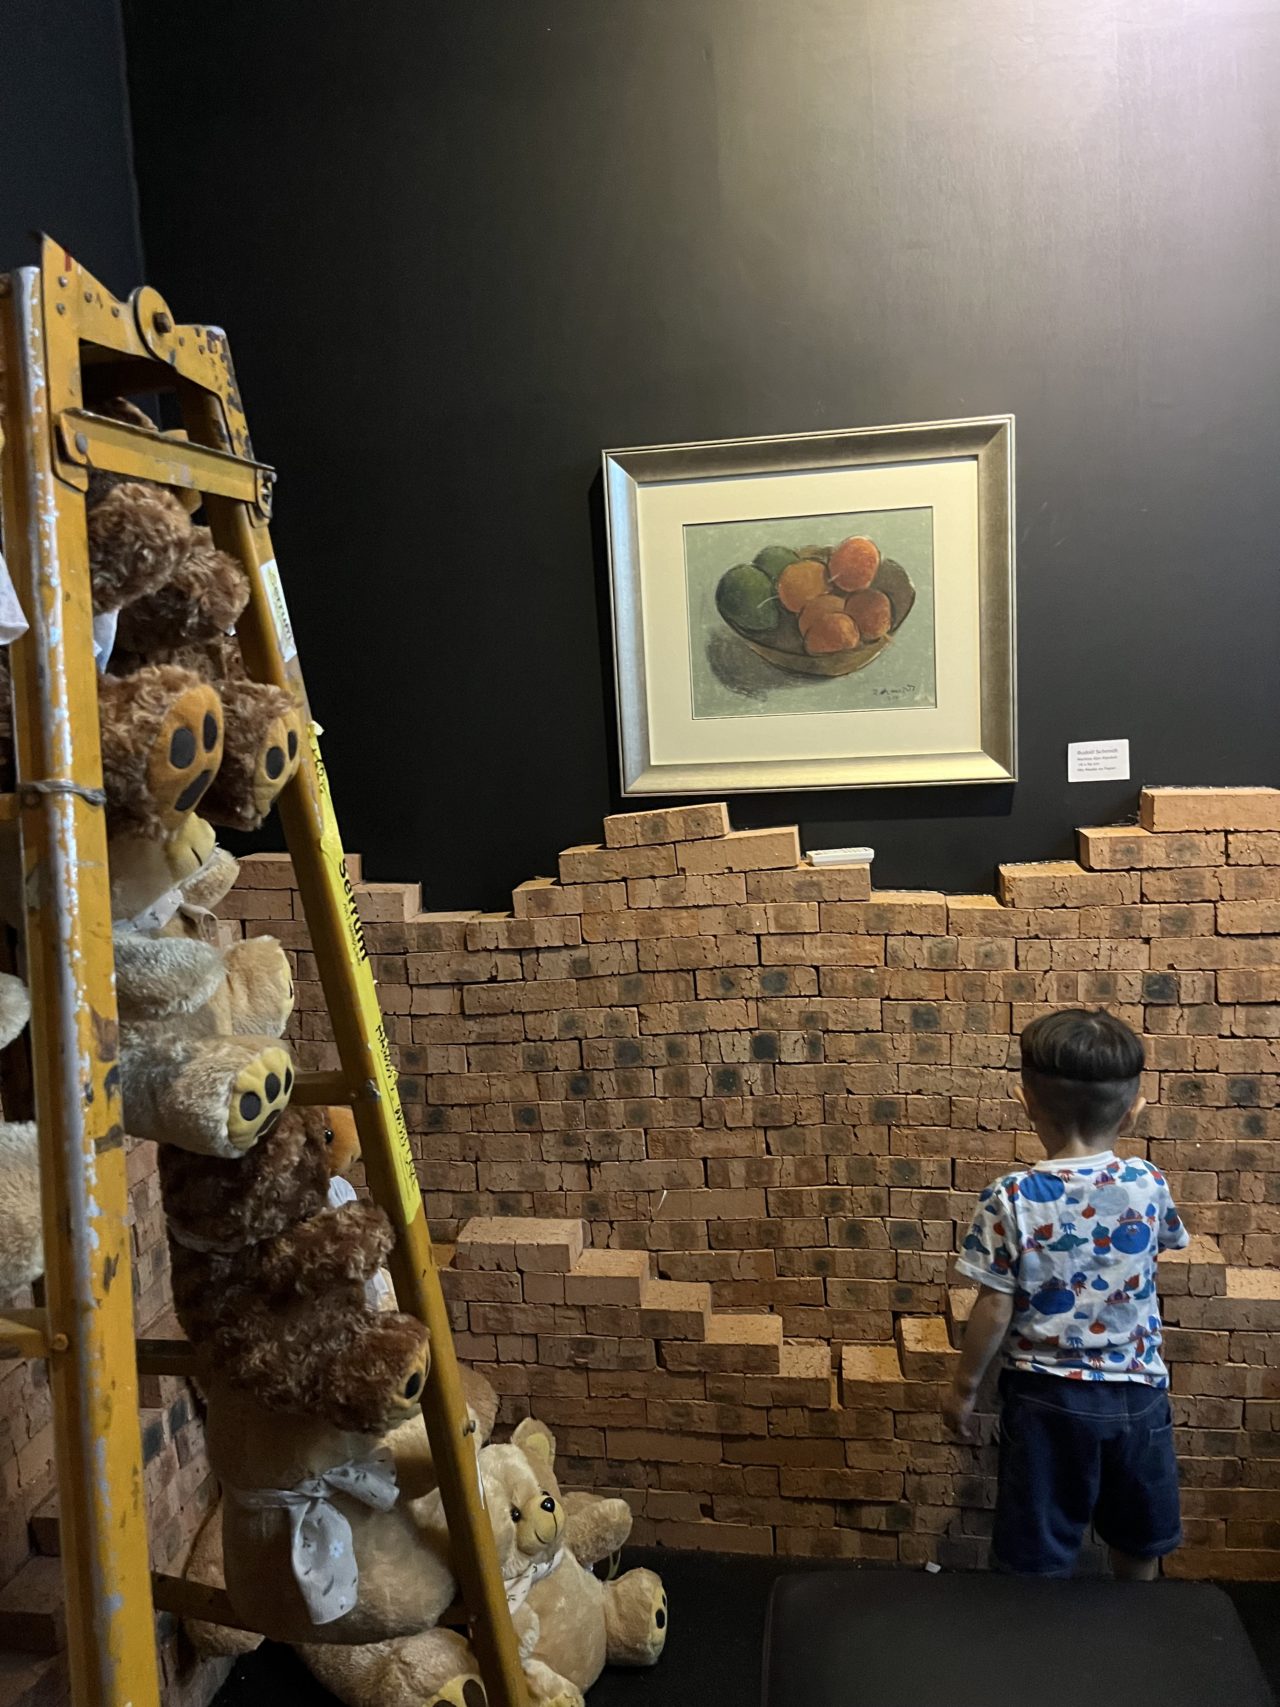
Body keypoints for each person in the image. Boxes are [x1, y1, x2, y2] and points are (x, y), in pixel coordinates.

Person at [944, 1008, 1189, 1580]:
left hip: (1045, 1398)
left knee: (1037, 1552)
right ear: (1133, 1110)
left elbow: (994, 1306)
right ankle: (1139, 1626)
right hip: (1138, 1396)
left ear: (1025, 1101)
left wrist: (964, 1388)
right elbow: (1164, 1244)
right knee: (1139, 1540)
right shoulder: (1148, 1183)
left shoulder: (1010, 1197)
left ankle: (1038, 1633)